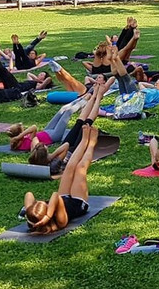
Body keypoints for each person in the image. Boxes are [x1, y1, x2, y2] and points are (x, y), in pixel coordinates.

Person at [22, 87, 107, 234]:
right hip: (78, 202)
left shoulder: (33, 218)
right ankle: (90, 142)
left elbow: (29, 194)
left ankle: (85, 139)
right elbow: (55, 196)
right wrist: (48, 215)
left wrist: (32, 211)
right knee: (80, 168)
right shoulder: (60, 222)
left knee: (69, 168)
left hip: (63, 197)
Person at [29, 82, 104, 168]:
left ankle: (94, 96)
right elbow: (66, 146)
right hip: (74, 151)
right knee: (87, 123)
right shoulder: (54, 164)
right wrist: (52, 156)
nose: (48, 149)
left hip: (67, 146)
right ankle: (97, 98)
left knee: (79, 121)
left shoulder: (46, 160)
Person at [7, 103, 74, 152]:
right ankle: (84, 101)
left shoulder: (20, 141)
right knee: (68, 112)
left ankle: (82, 97)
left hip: (46, 131)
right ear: (20, 134)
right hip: (54, 136)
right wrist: (19, 136)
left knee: (63, 109)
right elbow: (34, 127)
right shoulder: (27, 143)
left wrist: (19, 136)